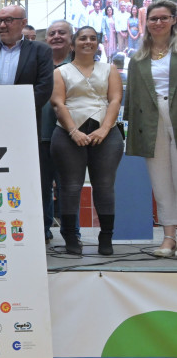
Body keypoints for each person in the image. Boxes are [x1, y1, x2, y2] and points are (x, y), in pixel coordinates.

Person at [50, 26, 123, 256]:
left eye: (92, 38)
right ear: (73, 44)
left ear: (97, 44)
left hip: (106, 133)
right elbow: (58, 103)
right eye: (82, 38)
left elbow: (115, 100)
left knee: (104, 187)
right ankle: (71, 237)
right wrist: (73, 131)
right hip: (68, 133)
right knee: (71, 187)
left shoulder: (109, 69)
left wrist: (105, 129)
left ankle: (106, 237)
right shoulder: (61, 72)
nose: (88, 42)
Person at [124, 0, 177, 258]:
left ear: (173, 20)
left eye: (164, 17)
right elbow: (132, 98)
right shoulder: (138, 58)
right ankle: (169, 238)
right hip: (151, 122)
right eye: (154, 18)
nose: (158, 22)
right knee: (161, 181)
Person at [0, 4, 54, 126]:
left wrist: (17, 110)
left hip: (26, 120)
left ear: (23, 23)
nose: (2, 25)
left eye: (8, 20)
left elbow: (44, 88)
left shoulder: (41, 51)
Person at [41, 20, 76, 245]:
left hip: (71, 135)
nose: (56, 36)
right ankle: (43, 231)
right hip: (42, 134)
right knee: (43, 187)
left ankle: (72, 234)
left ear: (71, 38)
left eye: (62, 33)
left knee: (69, 186)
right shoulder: (39, 65)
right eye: (52, 33)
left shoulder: (79, 66)